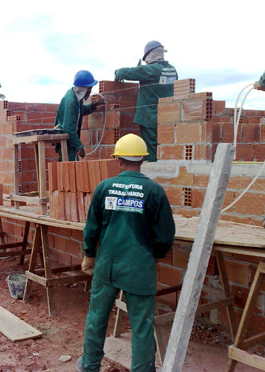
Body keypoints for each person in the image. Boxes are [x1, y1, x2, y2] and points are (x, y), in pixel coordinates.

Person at [77, 133, 175, 372]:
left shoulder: (104, 188)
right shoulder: (154, 191)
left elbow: (91, 228)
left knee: (97, 318)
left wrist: (89, 254)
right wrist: (157, 255)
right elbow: (165, 235)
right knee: (141, 325)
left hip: (107, 265)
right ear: (142, 160)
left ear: (118, 160)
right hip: (139, 267)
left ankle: (89, 366)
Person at [114, 40, 178, 162]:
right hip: (168, 117)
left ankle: (156, 173)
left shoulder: (151, 70)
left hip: (150, 117)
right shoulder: (172, 70)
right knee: (166, 148)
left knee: (151, 152)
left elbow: (122, 72)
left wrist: (117, 74)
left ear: (149, 55)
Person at [54, 70, 104, 161]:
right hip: (66, 142)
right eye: (90, 88)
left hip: (69, 140)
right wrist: (79, 146)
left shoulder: (77, 97)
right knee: (68, 168)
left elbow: (78, 112)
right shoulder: (71, 101)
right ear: (83, 88)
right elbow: (68, 128)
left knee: (71, 167)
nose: (90, 92)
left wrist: (92, 107)